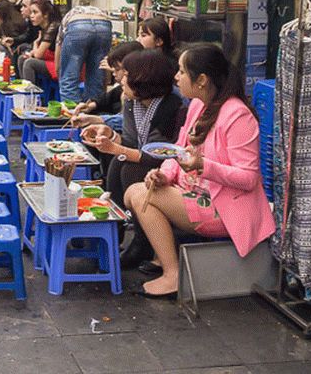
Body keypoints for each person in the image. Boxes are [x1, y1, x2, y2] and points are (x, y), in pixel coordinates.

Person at [123, 44, 275, 297]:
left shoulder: (238, 116)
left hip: (225, 207)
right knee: (138, 190)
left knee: (139, 195)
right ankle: (166, 264)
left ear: (202, 80)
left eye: (182, 71)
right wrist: (164, 174)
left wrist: (204, 166)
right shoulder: (197, 106)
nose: (176, 77)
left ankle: (172, 275)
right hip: (194, 193)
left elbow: (248, 178)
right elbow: (179, 150)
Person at [81, 49, 184, 267]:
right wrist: (108, 134)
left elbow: (156, 154)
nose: (122, 79)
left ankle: (142, 240)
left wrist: (114, 147)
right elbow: (129, 141)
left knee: (127, 167)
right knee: (119, 162)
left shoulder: (171, 107)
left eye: (127, 74)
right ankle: (113, 228)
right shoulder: (131, 103)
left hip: (167, 165)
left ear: (144, 81)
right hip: (141, 156)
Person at [72, 41, 143, 128]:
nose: (113, 73)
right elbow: (111, 96)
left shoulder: (137, 97)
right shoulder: (124, 91)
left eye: (117, 69)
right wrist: (91, 105)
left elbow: (129, 124)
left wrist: (98, 120)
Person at [56, 5, 113, 103]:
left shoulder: (65, 22)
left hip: (78, 25)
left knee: (69, 79)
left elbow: (58, 47)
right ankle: (94, 111)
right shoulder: (94, 10)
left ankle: (73, 113)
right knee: (97, 77)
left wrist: (60, 72)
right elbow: (105, 62)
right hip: (104, 25)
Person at [17, 0, 60, 84]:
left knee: (29, 63)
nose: (31, 15)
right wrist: (32, 52)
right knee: (22, 58)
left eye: (35, 12)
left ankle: (30, 93)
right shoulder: (44, 27)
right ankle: (25, 87)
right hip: (49, 60)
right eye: (31, 12)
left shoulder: (53, 27)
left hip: (58, 64)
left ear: (46, 14)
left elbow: (38, 55)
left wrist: (36, 43)